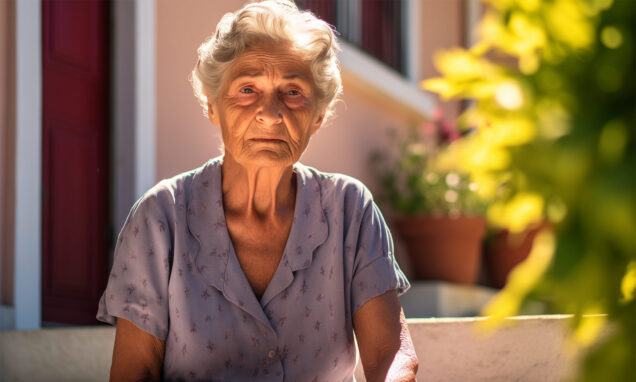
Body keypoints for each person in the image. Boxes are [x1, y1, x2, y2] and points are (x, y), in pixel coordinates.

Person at [97, 1, 418, 381]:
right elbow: (137, 371)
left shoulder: (350, 209)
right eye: (248, 89)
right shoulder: (159, 218)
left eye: (293, 91)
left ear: (317, 117)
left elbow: (390, 353)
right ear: (213, 107)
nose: (271, 112)